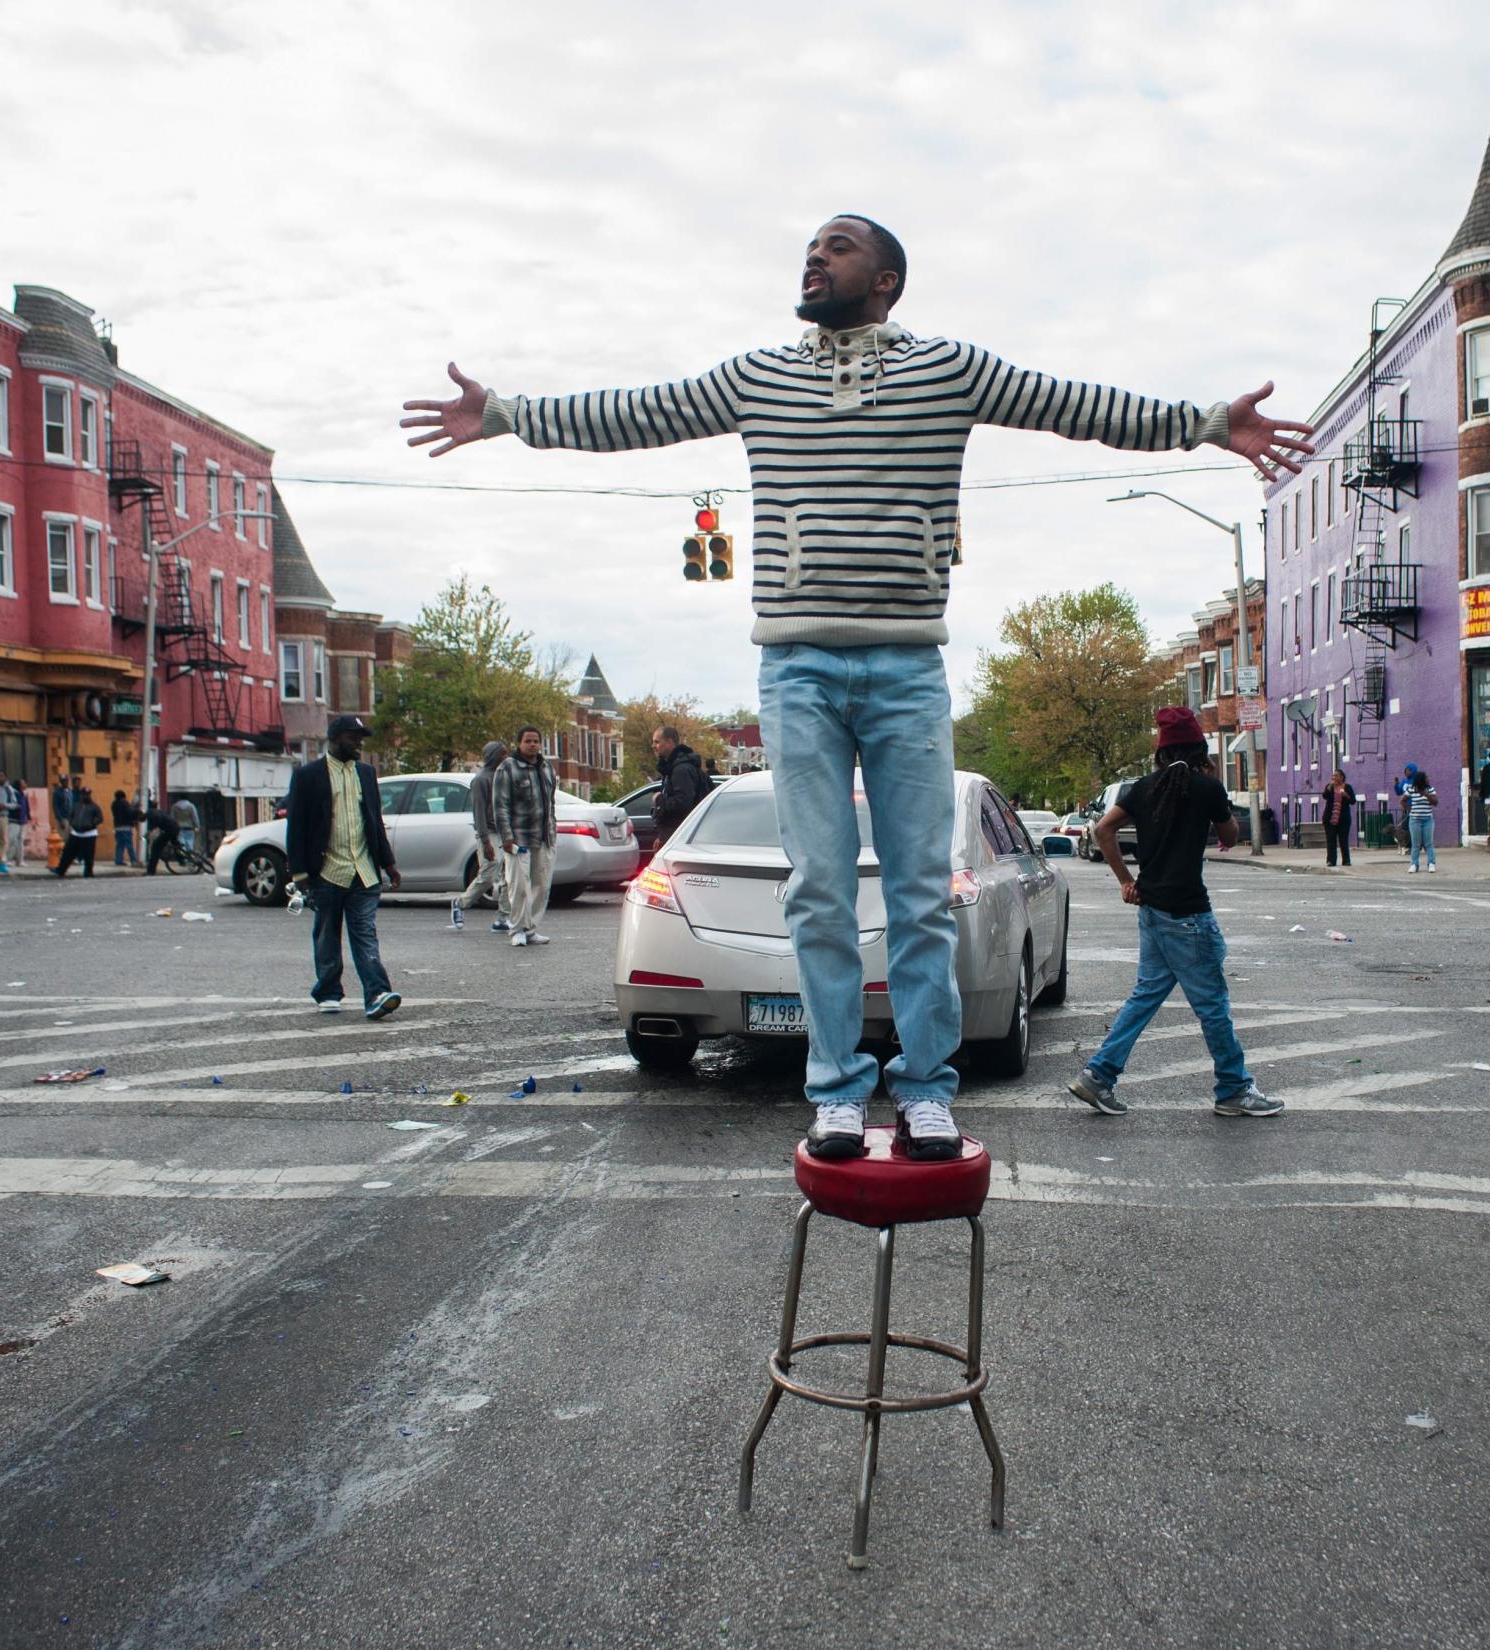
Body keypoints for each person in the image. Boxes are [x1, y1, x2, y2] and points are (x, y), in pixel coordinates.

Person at [406, 213, 1308, 1160]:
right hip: (795, 665)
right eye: (811, 246)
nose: (814, 255)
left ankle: (924, 1088)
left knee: (919, 894)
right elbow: (641, 411)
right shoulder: (760, 376)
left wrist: (1203, 424)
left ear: (885, 280)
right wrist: (508, 415)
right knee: (821, 891)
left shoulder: (950, 368)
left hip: (906, 667)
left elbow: (1070, 404)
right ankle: (837, 1089)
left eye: (838, 246)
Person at [1067, 707, 1284, 1119]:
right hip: (1188, 915)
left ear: (1160, 754)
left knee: (1146, 995)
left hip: (1151, 908)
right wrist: (1214, 785)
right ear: (1200, 750)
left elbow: (1102, 830)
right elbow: (1230, 837)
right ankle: (1234, 1089)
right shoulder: (1206, 789)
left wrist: (1124, 880)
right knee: (1213, 1006)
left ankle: (1098, 1076)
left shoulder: (1141, 789)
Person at [284, 714, 402, 1019]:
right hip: (326, 870)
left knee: (365, 933)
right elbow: (296, 827)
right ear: (334, 739)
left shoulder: (366, 773)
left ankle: (377, 993)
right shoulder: (308, 776)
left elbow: (374, 822)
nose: (359, 745)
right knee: (327, 934)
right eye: (354, 738)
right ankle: (328, 991)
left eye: (361, 739)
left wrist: (388, 863)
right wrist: (299, 874)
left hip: (363, 869)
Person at [494, 725, 558, 946]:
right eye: (528, 741)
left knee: (541, 885)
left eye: (536, 741)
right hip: (518, 838)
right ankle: (517, 930)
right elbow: (500, 806)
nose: (532, 745)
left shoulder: (547, 768)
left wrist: (553, 832)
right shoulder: (507, 768)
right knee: (519, 885)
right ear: (519, 743)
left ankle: (531, 929)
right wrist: (507, 838)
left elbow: (551, 803)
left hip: (544, 837)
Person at [453, 739, 510, 931]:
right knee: (488, 873)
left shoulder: (506, 777)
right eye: (503, 753)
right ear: (493, 755)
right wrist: (485, 841)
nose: (506, 756)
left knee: (509, 875)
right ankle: (460, 903)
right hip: (489, 834)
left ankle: (503, 918)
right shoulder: (480, 780)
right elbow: (478, 813)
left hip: (507, 833)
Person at [650, 725, 711, 846]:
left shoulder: (681, 770)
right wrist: (662, 837)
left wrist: (659, 799)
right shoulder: (672, 768)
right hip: (676, 836)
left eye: (657, 742)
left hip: (682, 838)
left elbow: (682, 803)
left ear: (669, 742)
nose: (653, 746)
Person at [55, 787, 102, 877]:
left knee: (88, 856)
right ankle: (61, 870)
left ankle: (88, 872)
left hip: (89, 834)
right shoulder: (76, 806)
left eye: (87, 795)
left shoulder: (94, 807)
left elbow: (100, 818)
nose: (86, 796)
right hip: (76, 833)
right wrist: (72, 823)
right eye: (84, 795)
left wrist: (91, 824)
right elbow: (71, 816)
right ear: (81, 795)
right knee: (67, 852)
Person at [1402, 769, 1439, 873]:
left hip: (1428, 820)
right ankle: (1414, 864)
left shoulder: (1430, 789)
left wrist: (1426, 795)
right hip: (1415, 820)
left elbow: (1436, 802)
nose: (1428, 779)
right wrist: (1408, 810)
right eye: (1426, 778)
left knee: (1429, 843)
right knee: (1416, 844)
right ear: (1421, 780)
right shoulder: (1412, 789)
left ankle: (1431, 863)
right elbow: (1402, 800)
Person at [1320, 769, 1357, 869]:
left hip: (1343, 820)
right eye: (1333, 776)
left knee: (1343, 840)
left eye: (1336, 776)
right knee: (1331, 840)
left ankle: (1346, 860)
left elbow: (1353, 801)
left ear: (1342, 777)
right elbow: (1324, 796)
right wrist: (1330, 786)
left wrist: (1346, 796)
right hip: (1330, 819)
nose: (1334, 778)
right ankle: (1331, 860)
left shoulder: (1347, 787)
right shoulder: (1330, 787)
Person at [143, 796, 184, 874]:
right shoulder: (158, 811)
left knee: (155, 847)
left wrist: (149, 831)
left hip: (169, 830)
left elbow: (156, 822)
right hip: (175, 827)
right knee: (175, 844)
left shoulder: (150, 812)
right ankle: (182, 860)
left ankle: (151, 871)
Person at [110, 789, 138, 868]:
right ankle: (133, 860)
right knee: (129, 844)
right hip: (126, 827)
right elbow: (129, 813)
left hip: (117, 827)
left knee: (119, 845)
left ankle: (118, 860)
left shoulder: (114, 804)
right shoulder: (125, 803)